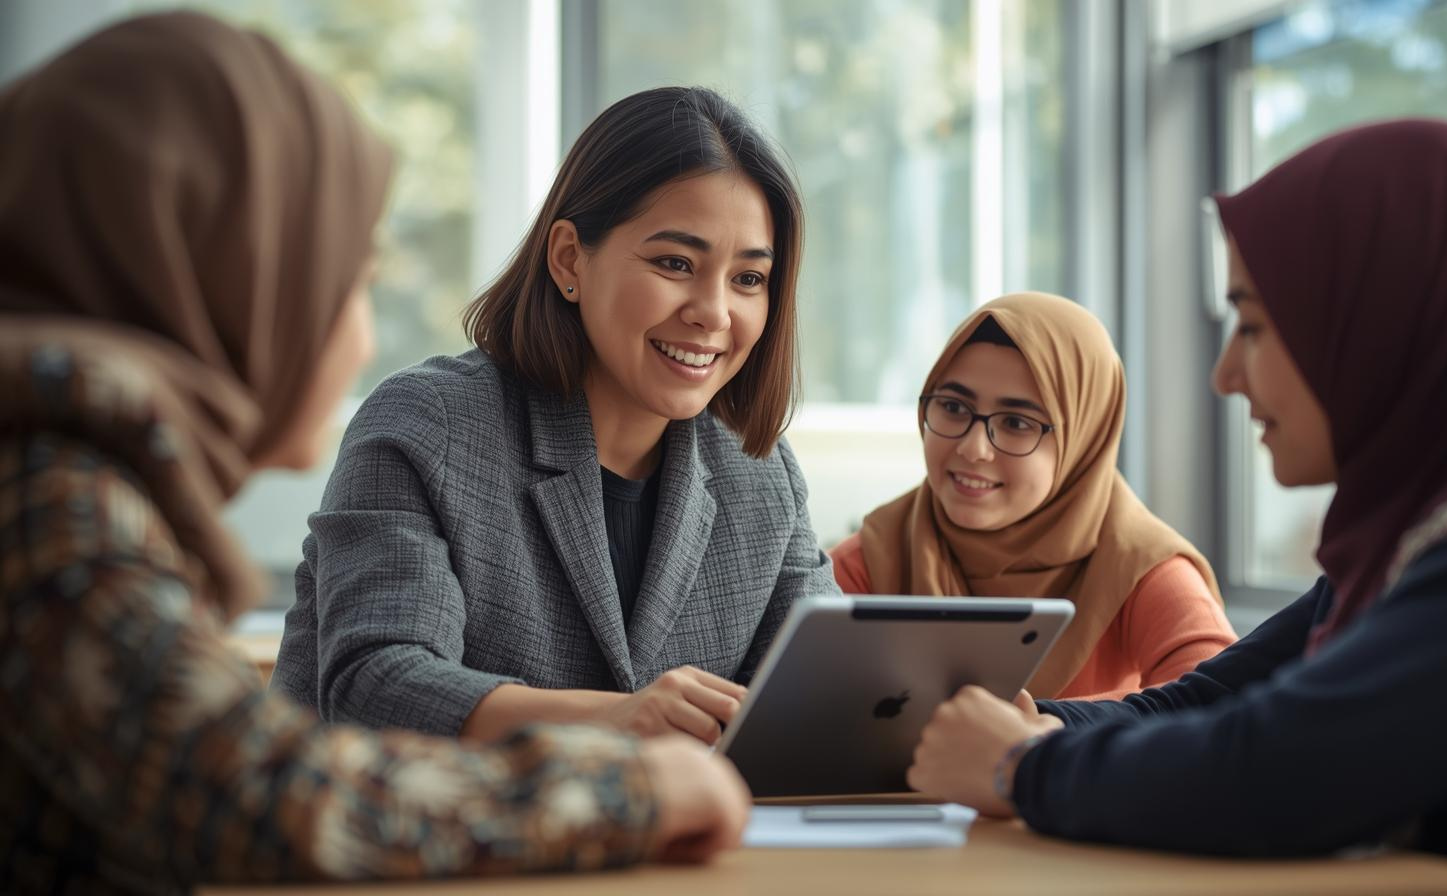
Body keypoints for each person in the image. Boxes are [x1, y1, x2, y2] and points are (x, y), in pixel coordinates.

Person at [0, 14, 748, 892]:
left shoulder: (66, 483)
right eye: (345, 279)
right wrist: (626, 789)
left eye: (751, 277)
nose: (359, 339)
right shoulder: (48, 509)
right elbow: (269, 798)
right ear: (222, 275)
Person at [906, 120, 1447, 890]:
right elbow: (1217, 697)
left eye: (1258, 326)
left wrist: (1020, 765)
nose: (1226, 374)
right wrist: (1036, 724)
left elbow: (1284, 769)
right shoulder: (1417, 524)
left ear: (1380, 324)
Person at [272, 84, 837, 745]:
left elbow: (826, 695)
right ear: (570, 259)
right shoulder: (432, 426)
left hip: (670, 843)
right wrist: (612, 720)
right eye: (675, 262)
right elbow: (377, 685)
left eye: (748, 279)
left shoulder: (760, 473)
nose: (713, 313)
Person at [831, 293, 1234, 700]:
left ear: (1082, 438)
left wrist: (1034, 729)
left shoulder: (1139, 567)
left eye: (1015, 422)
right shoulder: (872, 560)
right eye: (953, 406)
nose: (973, 448)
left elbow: (1218, 705)